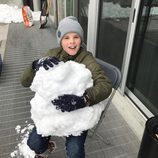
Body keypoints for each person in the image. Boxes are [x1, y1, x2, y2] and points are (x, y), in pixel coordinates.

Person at [21, 16, 112, 158]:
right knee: (34, 144)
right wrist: (35, 65)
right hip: (53, 111)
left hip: (77, 113)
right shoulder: (52, 54)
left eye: (76, 37)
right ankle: (47, 145)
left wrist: (85, 98)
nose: (71, 42)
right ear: (60, 40)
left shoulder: (87, 59)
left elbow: (105, 85)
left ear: (81, 40)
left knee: (75, 151)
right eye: (66, 37)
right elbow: (24, 82)